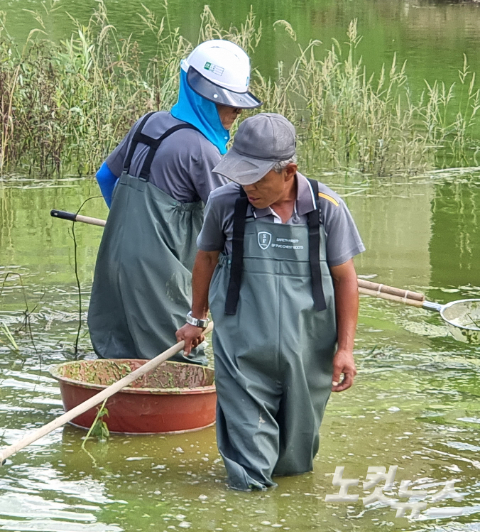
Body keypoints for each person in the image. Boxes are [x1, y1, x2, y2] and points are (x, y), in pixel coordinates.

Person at [176, 113, 365, 489]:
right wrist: (195, 319)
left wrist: (345, 349)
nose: (247, 186)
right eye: (240, 175)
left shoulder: (327, 207)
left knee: (296, 463)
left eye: (257, 178)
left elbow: (345, 280)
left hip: (308, 350)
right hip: (243, 345)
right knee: (248, 466)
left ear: (289, 171)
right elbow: (206, 259)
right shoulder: (225, 202)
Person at [88, 40, 262, 365]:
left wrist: (137, 231)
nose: (237, 111)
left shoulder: (148, 123)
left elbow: (105, 177)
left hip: (114, 261)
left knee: (119, 357)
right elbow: (232, 230)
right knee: (181, 360)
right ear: (204, 98)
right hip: (159, 275)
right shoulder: (203, 151)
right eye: (228, 103)